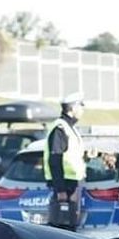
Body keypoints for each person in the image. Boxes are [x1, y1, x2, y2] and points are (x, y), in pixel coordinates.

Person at [43, 92, 87, 229]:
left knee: (70, 225)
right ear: (72, 108)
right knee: (63, 227)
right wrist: (60, 189)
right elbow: (55, 160)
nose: (82, 110)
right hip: (65, 186)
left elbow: (72, 155)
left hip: (72, 184)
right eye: (81, 106)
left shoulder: (70, 128)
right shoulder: (60, 129)